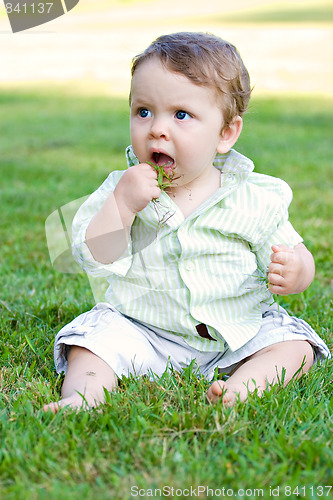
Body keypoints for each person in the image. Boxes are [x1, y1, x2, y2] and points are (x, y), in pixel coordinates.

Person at [43, 31, 330, 413]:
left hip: (235, 335)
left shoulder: (253, 196)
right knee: (92, 343)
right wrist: (123, 205)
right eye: (143, 111)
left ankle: (240, 389)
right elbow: (96, 256)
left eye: (181, 115)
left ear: (225, 133)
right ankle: (83, 398)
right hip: (142, 331)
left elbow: (295, 251)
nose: (157, 129)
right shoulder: (122, 189)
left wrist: (297, 271)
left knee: (294, 347)